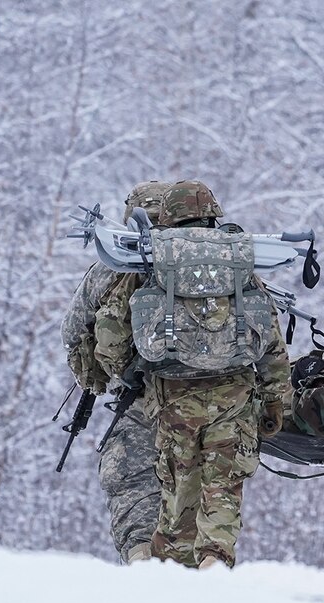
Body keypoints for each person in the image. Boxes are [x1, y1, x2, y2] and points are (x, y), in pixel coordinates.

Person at [109, 179, 290, 569]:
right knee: (223, 485)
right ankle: (214, 560)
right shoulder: (238, 259)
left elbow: (112, 339)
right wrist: (276, 398)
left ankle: (175, 569)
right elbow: (270, 336)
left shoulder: (154, 259)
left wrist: (128, 375)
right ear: (214, 214)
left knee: (179, 487)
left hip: (173, 396)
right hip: (235, 395)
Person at [62, 180, 168, 564]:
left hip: (137, 400)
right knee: (206, 499)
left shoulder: (111, 267)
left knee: (133, 486)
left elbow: (74, 334)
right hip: (212, 405)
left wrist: (95, 377)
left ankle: (142, 562)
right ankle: (209, 572)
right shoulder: (218, 268)